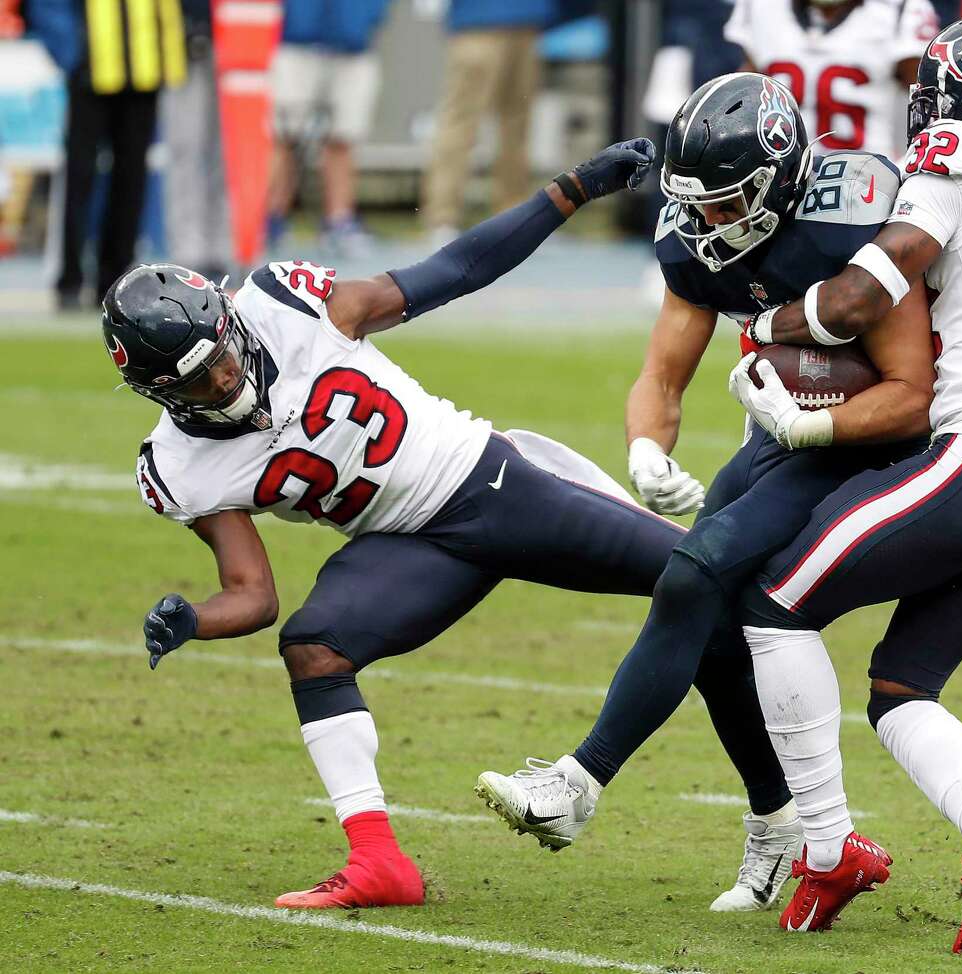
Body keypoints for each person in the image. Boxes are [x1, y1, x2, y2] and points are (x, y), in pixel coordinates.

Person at [105, 141, 682, 911]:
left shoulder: (284, 303)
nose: (226, 379)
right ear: (156, 392)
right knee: (313, 647)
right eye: (198, 380)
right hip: (407, 544)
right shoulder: (179, 465)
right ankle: (377, 860)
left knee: (703, 577)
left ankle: (790, 822)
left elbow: (454, 271)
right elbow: (252, 593)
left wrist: (573, 189)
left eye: (222, 356)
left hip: (488, 483)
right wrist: (192, 620)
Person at [476, 73, 935, 922]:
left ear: (781, 175)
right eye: (696, 204)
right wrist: (648, 445)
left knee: (694, 573)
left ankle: (579, 782)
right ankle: (780, 821)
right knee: (710, 619)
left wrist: (811, 429)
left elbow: (913, 392)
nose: (707, 223)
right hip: (781, 433)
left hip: (866, 438)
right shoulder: (695, 238)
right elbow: (663, 372)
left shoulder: (855, 217)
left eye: (727, 203)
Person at [726, 15, 962, 953]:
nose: (929, 107)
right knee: (903, 687)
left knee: (773, 608)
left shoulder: (956, 150)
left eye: (945, 92)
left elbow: (864, 293)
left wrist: (772, 322)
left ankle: (825, 847)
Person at [51, 0, 186, 308]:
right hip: (91, 66)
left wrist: (172, 48)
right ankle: (70, 279)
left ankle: (116, 281)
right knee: (80, 177)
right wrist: (72, 50)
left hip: (144, 67)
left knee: (132, 179)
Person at [725, 0, 940, 160]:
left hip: (865, 177)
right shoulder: (762, 8)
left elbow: (931, 100)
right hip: (783, 174)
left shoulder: (901, 9)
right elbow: (749, 90)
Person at [420, 0, 551, 242]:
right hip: (476, 20)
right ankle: (442, 217)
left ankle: (515, 217)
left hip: (527, 20)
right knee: (461, 122)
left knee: (517, 125)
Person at [267, 0, 391, 255]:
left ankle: (339, 222)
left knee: (344, 136)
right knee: (283, 135)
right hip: (294, 39)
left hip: (353, 41)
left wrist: (367, 16)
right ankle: (270, 219)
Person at [162, 0, 231, 282]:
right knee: (185, 147)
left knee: (229, 152)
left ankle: (226, 246)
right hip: (179, 39)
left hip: (237, 35)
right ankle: (187, 250)